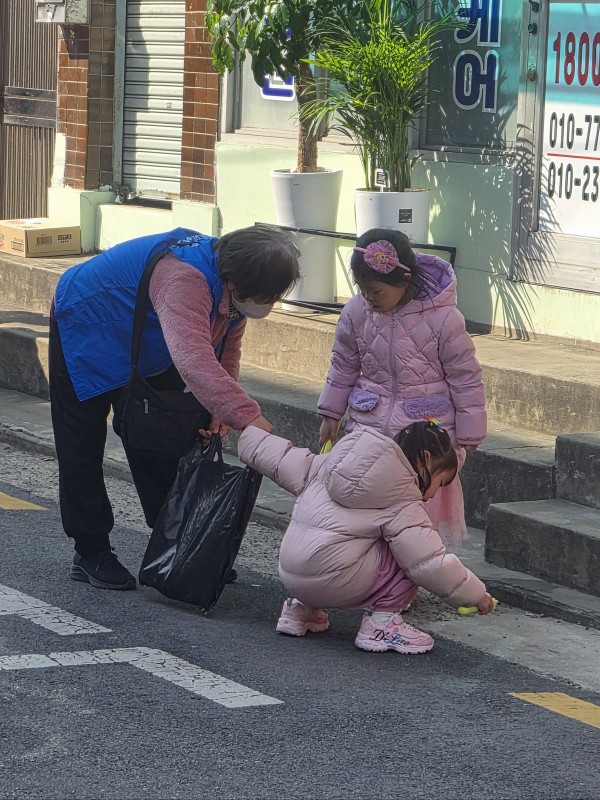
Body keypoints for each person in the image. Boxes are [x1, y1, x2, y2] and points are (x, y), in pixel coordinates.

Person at [49, 225, 300, 591]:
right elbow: (194, 360)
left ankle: (176, 543)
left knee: (164, 433)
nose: (267, 304)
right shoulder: (184, 279)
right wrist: (248, 417)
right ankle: (91, 550)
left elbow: (225, 350)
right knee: (81, 442)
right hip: (87, 322)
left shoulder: (232, 282)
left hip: (145, 336)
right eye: (266, 296)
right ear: (235, 281)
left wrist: (219, 410)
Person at [238, 419, 495, 654]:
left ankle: (299, 611)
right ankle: (382, 626)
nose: (434, 495)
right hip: (336, 581)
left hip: (292, 575)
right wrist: (475, 596)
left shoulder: (325, 463)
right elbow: (430, 562)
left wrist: (247, 430)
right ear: (424, 461)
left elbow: (278, 456)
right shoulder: (402, 497)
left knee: (329, 534)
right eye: (439, 483)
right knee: (409, 553)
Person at [317, 228, 486, 545]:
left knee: (415, 524)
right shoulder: (356, 312)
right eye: (362, 289)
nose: (369, 297)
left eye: (376, 291)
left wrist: (470, 430)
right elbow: (343, 364)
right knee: (367, 517)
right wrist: (331, 413)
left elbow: (465, 377)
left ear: (404, 280)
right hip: (368, 427)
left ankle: (412, 569)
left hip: (423, 436)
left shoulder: (444, 319)